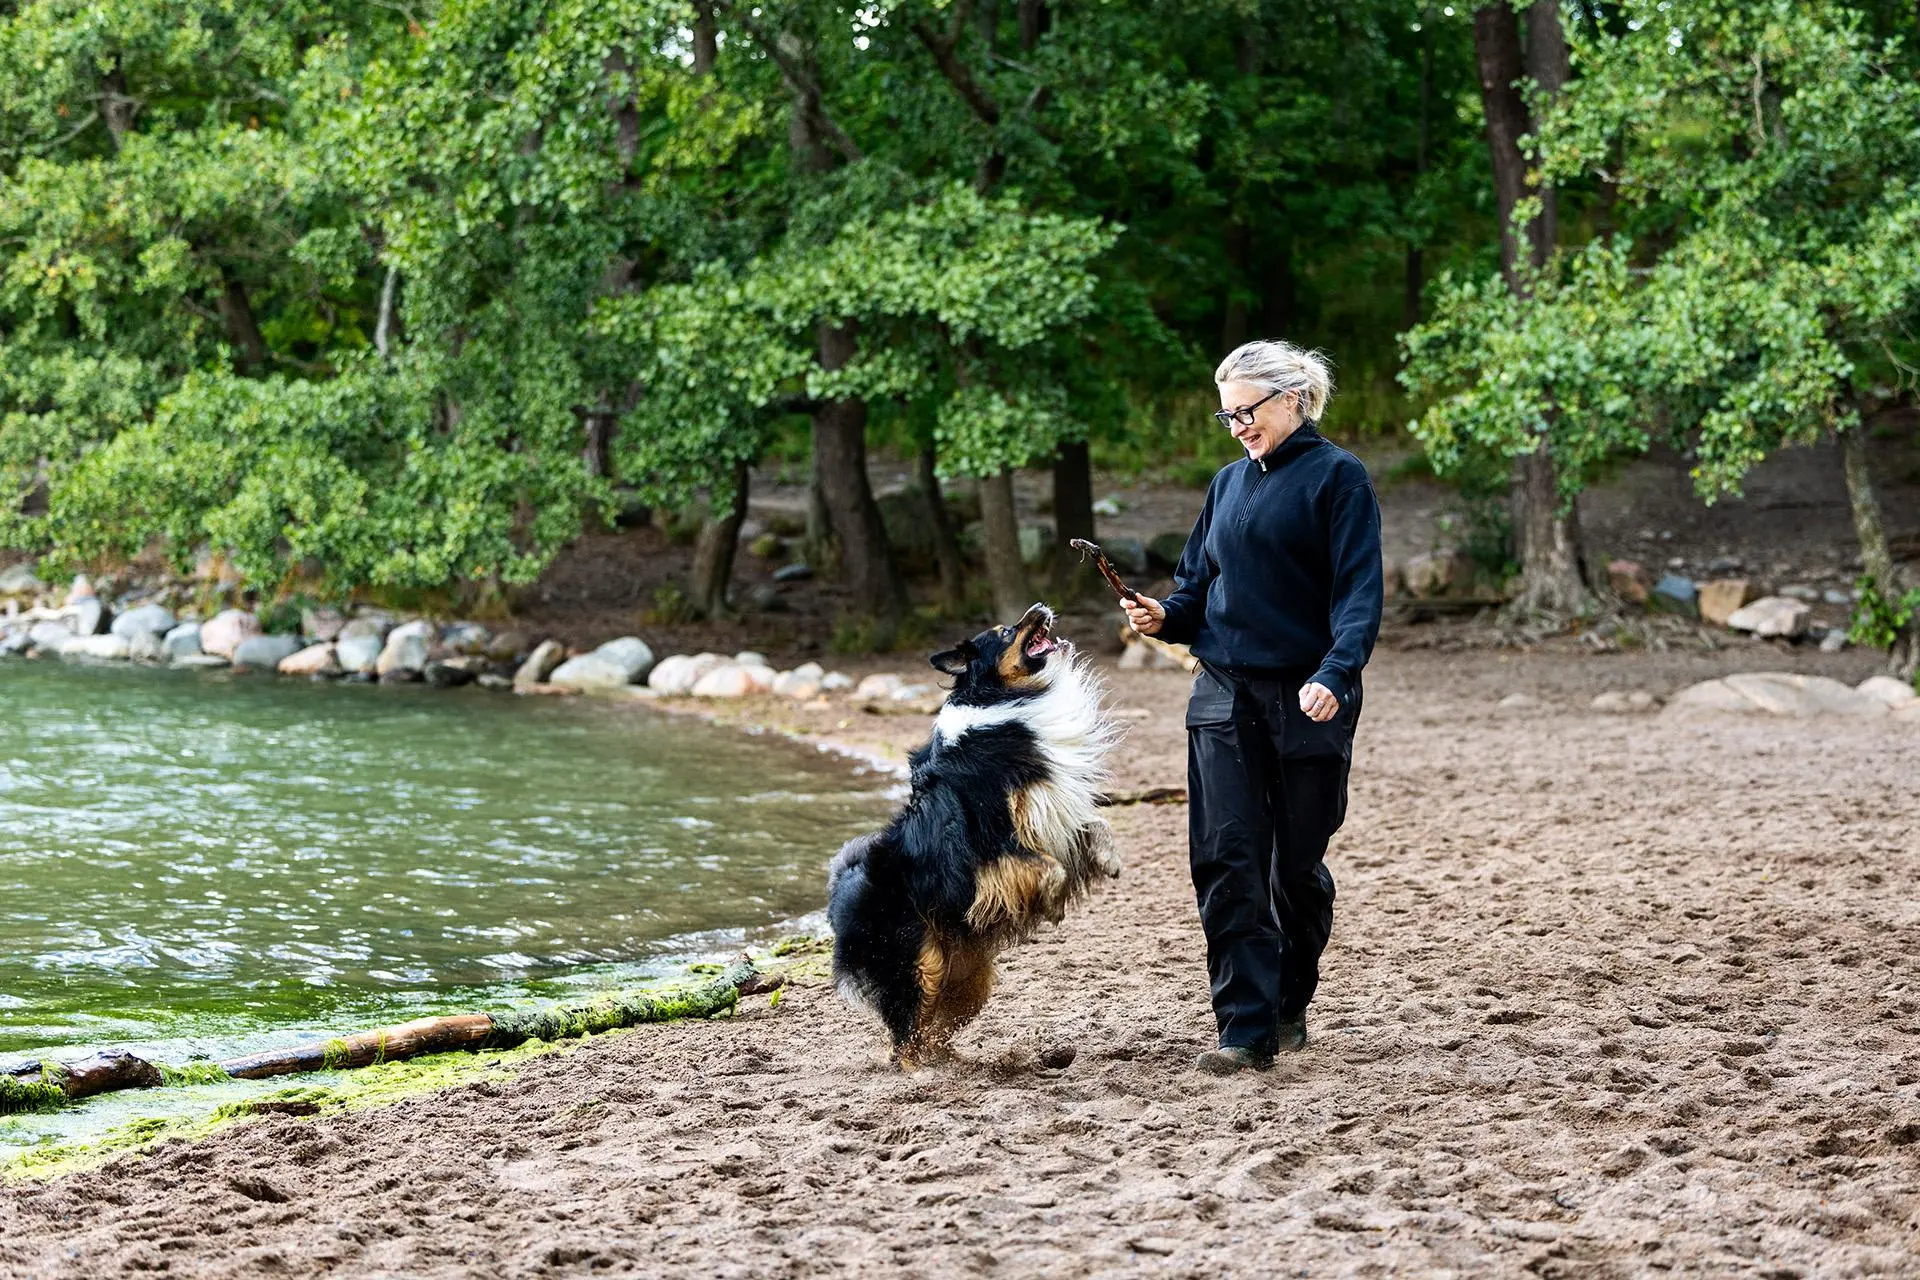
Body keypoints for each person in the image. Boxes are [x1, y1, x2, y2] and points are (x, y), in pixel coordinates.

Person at [1122, 340, 1383, 1075]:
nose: (1236, 425)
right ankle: (1244, 1029)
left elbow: (1360, 596)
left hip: (1311, 698)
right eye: (1226, 413)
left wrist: (1336, 672)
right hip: (1222, 696)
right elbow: (1195, 583)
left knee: (1294, 871)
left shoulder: (1340, 479)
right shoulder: (1226, 485)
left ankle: (1288, 1002)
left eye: (1247, 410)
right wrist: (1163, 615)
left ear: (1292, 398)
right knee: (1227, 860)